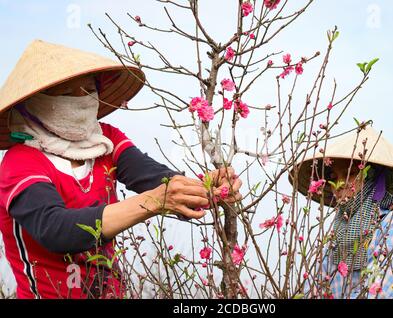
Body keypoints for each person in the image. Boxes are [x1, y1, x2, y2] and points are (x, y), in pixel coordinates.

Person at [0, 40, 242, 299]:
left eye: (88, 89)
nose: (81, 99)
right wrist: (154, 200)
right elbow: (55, 229)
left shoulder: (106, 140)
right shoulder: (21, 161)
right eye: (67, 93)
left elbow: (154, 177)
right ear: (35, 102)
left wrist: (205, 188)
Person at [289, 126, 393, 298]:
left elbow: (378, 292)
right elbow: (312, 291)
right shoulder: (335, 236)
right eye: (333, 177)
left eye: (350, 173)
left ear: (372, 176)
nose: (341, 183)